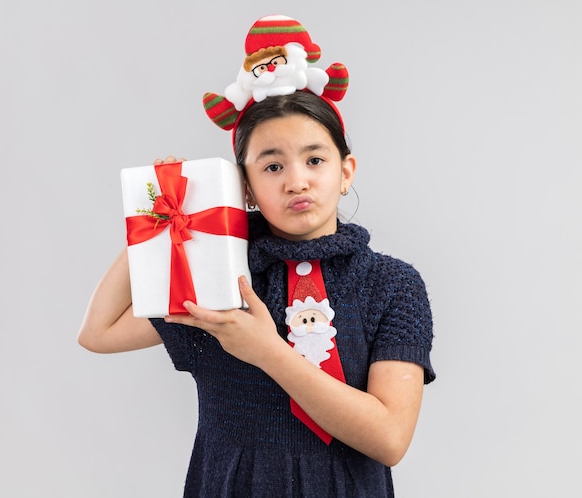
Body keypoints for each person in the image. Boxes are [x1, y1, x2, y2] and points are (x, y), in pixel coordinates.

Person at [78, 15, 435, 498]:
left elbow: (390, 439)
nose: (296, 180)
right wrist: (162, 214)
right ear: (244, 187)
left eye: (315, 159)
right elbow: (99, 332)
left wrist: (266, 351)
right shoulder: (219, 274)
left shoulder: (392, 284)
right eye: (272, 165)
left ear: (345, 171)